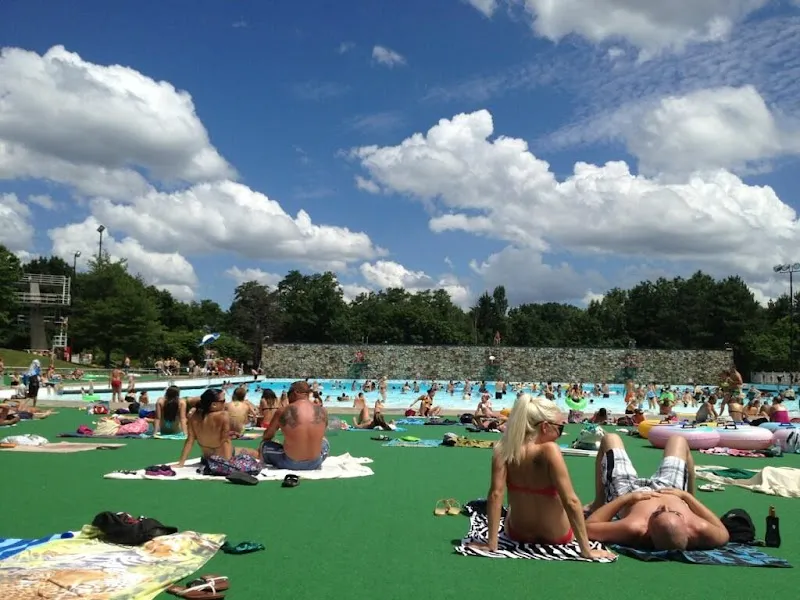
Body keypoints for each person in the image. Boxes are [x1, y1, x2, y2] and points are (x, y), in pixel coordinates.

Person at [468, 394, 615, 561]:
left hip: (517, 533)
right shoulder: (549, 450)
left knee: (510, 509)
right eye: (560, 428)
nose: (561, 433)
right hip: (558, 535)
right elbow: (570, 501)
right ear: (545, 427)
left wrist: (491, 544)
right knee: (583, 510)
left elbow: (495, 495)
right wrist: (586, 550)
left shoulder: (503, 449)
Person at [584, 434, 729, 550]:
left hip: (629, 491)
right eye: (675, 513)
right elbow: (723, 532)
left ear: (648, 530)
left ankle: (598, 503)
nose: (665, 507)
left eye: (657, 514)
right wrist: (687, 497)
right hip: (672, 490)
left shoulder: (634, 526)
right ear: (686, 526)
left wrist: (627, 499)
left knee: (610, 439)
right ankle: (684, 502)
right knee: (678, 440)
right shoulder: (699, 528)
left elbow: (588, 527)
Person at [177, 388, 260, 469]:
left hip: (207, 459)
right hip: (224, 458)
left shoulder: (194, 416)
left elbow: (190, 441)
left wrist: (181, 463)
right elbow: (225, 441)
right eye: (223, 401)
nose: (225, 403)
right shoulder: (223, 415)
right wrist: (228, 464)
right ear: (214, 405)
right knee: (257, 453)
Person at [258, 381, 330, 470]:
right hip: (315, 462)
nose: (288, 397)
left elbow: (267, 436)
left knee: (264, 445)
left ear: (295, 392)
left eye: (289, 394)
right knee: (324, 442)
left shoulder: (283, 411)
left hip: (291, 463)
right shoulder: (322, 410)